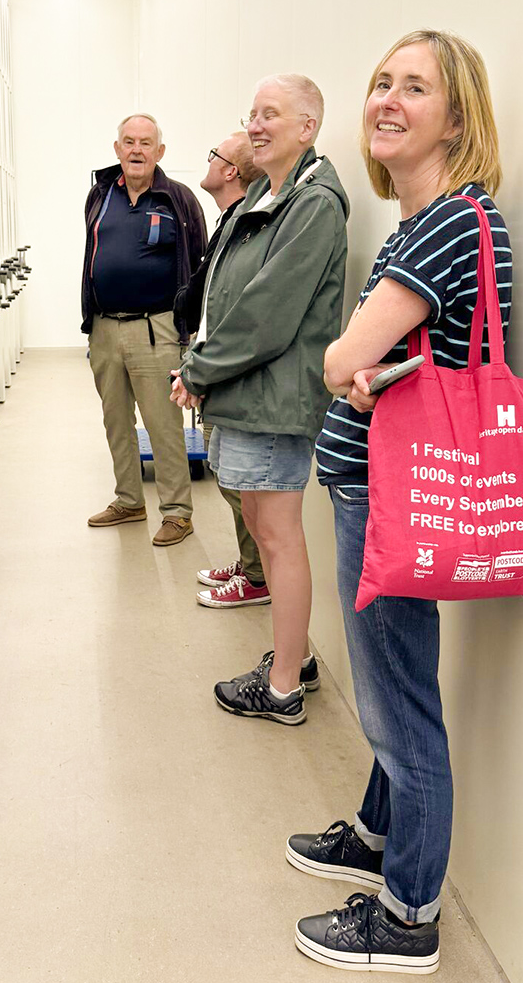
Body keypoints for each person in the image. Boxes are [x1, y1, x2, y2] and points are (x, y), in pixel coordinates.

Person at [290, 30, 511, 974]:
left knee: (397, 703)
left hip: (393, 495)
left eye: (414, 88)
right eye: (381, 81)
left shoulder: (453, 222)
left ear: (456, 118)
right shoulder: (422, 222)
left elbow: (345, 358)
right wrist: (360, 365)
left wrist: (353, 365)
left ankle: (408, 914)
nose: (386, 99)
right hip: (375, 485)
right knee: (391, 684)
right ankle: (380, 838)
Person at [171, 75, 349, 721]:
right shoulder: (272, 195)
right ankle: (291, 653)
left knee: (277, 536)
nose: (255, 125)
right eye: (251, 114)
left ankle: (282, 687)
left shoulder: (314, 204)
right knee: (259, 520)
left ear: (307, 126)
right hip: (251, 396)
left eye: (270, 114)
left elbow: (266, 313)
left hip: (274, 400)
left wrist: (200, 369)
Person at [82, 114, 208, 547]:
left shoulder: (178, 199)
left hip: (156, 329)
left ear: (160, 152)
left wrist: (186, 330)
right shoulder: (99, 195)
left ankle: (177, 512)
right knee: (115, 421)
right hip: (104, 328)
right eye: (129, 142)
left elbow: (199, 266)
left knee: (162, 424)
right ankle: (129, 499)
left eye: (146, 143)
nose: (137, 150)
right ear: (117, 148)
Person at [175, 133, 269, 609]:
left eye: (214, 154)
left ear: (231, 170)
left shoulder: (245, 224)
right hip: (213, 362)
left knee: (238, 482)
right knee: (226, 473)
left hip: (226, 370)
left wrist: (201, 370)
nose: (208, 160)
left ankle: (257, 575)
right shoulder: (231, 221)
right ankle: (249, 562)